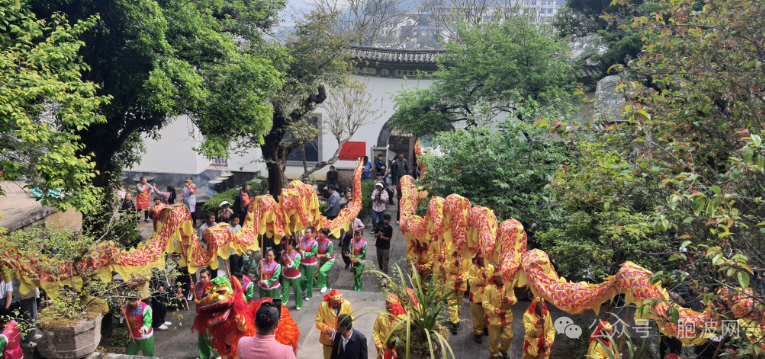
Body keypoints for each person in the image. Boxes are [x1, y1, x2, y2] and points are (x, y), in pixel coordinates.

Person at [482, 263, 517, 359]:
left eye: (503, 277)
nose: (502, 279)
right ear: (495, 278)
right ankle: (494, 354)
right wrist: (497, 311)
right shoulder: (488, 288)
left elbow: (515, 298)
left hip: (507, 316)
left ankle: (503, 349)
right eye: (500, 277)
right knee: (493, 339)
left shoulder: (508, 287)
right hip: (494, 318)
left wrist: (509, 300)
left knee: (508, 337)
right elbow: (485, 304)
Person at [315, 290, 354, 359]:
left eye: (338, 303)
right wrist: (326, 329)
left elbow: (351, 319)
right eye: (334, 303)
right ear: (330, 300)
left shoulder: (347, 304)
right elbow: (318, 322)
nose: (336, 305)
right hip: (328, 340)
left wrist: (344, 328)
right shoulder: (323, 305)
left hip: (343, 337)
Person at [194, 269, 219, 359]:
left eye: (204, 277)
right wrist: (191, 290)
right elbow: (195, 295)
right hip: (199, 315)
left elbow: (212, 302)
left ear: (209, 277)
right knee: (201, 337)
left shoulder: (213, 288)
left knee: (209, 337)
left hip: (209, 315)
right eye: (201, 277)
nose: (202, 279)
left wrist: (199, 302)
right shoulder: (197, 285)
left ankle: (218, 355)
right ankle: (203, 356)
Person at [445, 249, 470, 335]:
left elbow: (470, 271)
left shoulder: (468, 256)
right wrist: (453, 265)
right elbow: (446, 268)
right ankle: (455, 322)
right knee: (452, 303)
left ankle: (454, 318)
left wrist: (463, 277)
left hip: (461, 283)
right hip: (451, 282)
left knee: (458, 304)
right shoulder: (449, 254)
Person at [373, 295, 404, 359]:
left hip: (396, 352)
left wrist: (396, 349)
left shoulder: (402, 318)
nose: (386, 305)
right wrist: (379, 345)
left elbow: (404, 336)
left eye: (388, 303)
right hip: (383, 350)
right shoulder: (381, 315)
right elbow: (375, 331)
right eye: (386, 303)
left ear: (394, 305)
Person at [11, 280, 41, 348]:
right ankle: (27, 341)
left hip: (30, 291)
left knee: (34, 315)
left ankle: (32, 334)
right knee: (29, 317)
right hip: (25, 292)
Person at [468, 255, 488, 343]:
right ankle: (477, 332)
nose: (484, 260)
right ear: (478, 258)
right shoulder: (473, 268)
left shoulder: (489, 268)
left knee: (486, 314)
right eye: (482, 258)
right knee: (477, 316)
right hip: (476, 296)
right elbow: (471, 282)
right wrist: (482, 276)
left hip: (487, 295)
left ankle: (484, 327)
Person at [280, 237, 303, 310]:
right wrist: (283, 267)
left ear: (293, 246)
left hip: (295, 276)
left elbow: (296, 266)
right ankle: (283, 305)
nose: (286, 246)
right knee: (284, 291)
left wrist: (290, 260)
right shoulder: (283, 253)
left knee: (297, 291)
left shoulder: (297, 255)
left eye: (289, 244)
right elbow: (279, 263)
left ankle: (298, 304)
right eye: (286, 244)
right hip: (285, 275)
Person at [299, 227, 319, 301]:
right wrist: (298, 243)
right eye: (305, 232)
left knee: (309, 279)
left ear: (312, 234)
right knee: (301, 278)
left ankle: (309, 294)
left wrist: (303, 253)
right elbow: (298, 248)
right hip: (302, 261)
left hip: (310, 263)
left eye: (308, 232)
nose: (306, 234)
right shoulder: (302, 239)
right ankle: (304, 288)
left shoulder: (314, 243)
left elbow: (312, 253)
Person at [316, 228, 335, 294]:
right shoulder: (317, 240)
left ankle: (323, 286)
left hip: (329, 260)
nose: (319, 234)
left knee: (322, 270)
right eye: (319, 232)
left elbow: (329, 254)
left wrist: (320, 255)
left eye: (321, 233)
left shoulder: (329, 243)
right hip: (322, 260)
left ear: (325, 235)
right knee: (324, 274)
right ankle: (328, 286)